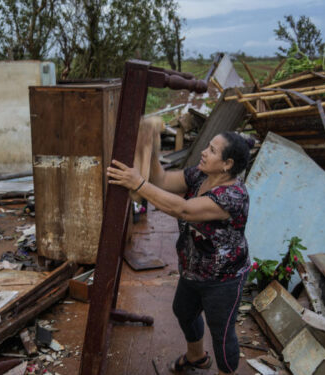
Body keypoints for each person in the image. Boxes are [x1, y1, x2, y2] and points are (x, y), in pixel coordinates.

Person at [107, 131, 252, 375]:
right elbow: (162, 180)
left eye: (213, 151)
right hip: (193, 268)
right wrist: (150, 148)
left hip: (224, 279)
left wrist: (138, 184)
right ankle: (196, 357)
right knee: (184, 311)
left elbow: (183, 209)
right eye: (208, 146)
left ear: (227, 165)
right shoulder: (199, 175)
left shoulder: (233, 197)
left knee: (222, 332)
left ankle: (226, 372)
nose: (204, 152)